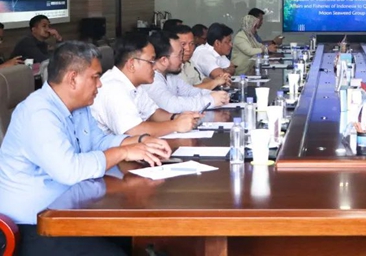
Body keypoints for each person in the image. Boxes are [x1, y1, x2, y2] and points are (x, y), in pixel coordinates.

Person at [0, 41, 171, 256]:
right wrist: (124, 152)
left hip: (71, 212)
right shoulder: (39, 113)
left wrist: (139, 142)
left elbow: (98, 142)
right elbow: (70, 170)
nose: (100, 84)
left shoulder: (78, 108)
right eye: (95, 77)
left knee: (134, 239)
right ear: (73, 78)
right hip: (33, 226)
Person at [91, 33, 201, 137]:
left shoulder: (134, 84)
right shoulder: (113, 88)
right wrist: (175, 125)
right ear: (132, 64)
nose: (155, 67)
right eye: (151, 62)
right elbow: (134, 131)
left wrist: (176, 117)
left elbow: (153, 113)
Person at [142, 31, 229, 113]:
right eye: (179, 54)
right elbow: (171, 105)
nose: (182, 58)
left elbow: (189, 91)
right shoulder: (152, 79)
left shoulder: (170, 74)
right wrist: (210, 100)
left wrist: (214, 94)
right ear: (164, 60)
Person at [172, 25, 230, 90]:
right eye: (183, 44)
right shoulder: (172, 67)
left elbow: (201, 80)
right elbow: (187, 91)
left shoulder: (189, 63)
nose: (188, 48)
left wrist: (220, 80)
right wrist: (215, 82)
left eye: (191, 43)